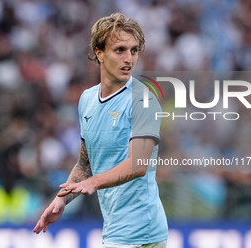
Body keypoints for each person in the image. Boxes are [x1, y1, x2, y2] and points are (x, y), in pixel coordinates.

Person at [33, 13, 168, 248]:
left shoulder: (143, 99)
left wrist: (94, 183)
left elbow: (137, 165)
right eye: (120, 50)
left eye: (134, 50)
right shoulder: (87, 100)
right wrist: (61, 200)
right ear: (99, 52)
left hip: (140, 232)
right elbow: (85, 163)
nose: (129, 58)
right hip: (115, 229)